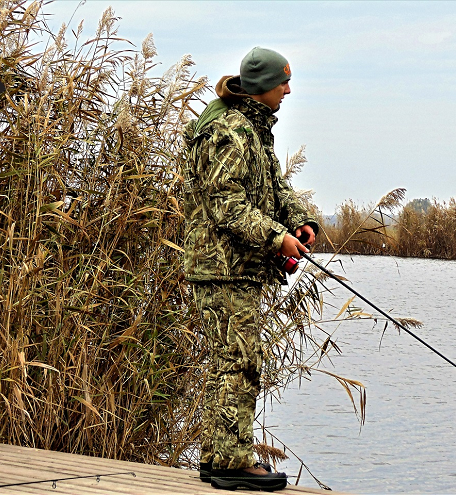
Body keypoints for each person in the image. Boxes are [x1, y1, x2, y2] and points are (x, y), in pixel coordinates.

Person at [182, 47, 318, 491]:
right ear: (262, 86)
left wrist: (300, 221)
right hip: (220, 268)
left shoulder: (255, 130)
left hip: (237, 267)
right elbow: (226, 205)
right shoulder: (228, 130)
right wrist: (278, 238)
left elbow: (275, 186)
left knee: (239, 359)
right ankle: (227, 461)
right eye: (284, 81)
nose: (289, 88)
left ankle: (224, 456)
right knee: (237, 359)